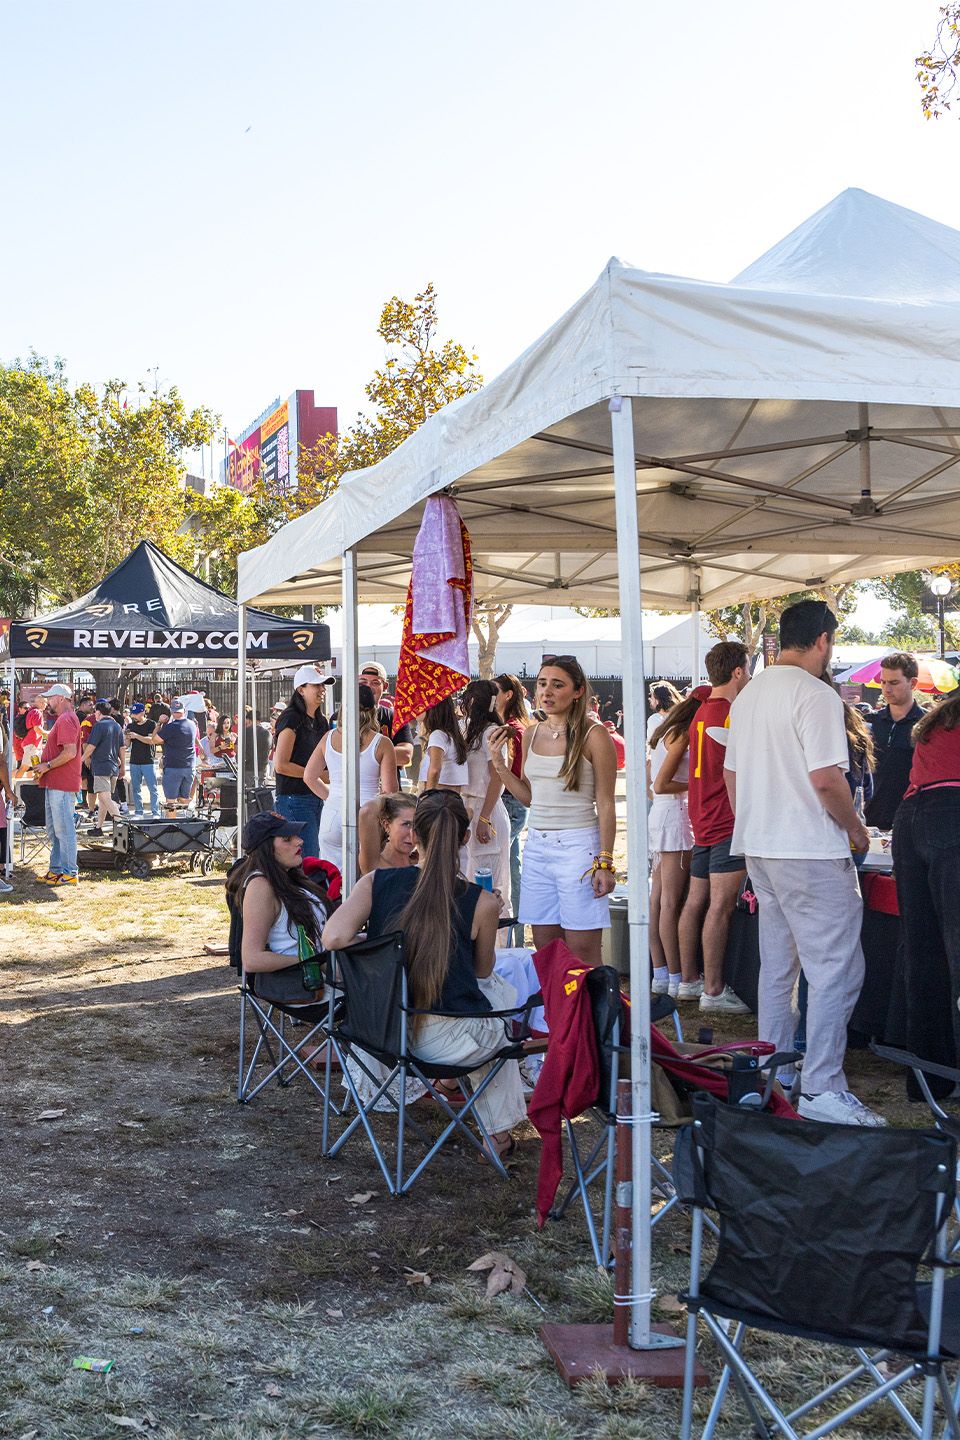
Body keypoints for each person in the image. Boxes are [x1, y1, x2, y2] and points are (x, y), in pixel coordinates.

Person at [724, 599, 882, 1127]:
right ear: (823, 640)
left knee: (779, 966)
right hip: (808, 847)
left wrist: (754, 818)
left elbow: (732, 777)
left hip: (762, 845)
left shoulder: (747, 697)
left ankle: (774, 1071)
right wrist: (856, 831)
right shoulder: (815, 694)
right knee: (836, 968)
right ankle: (821, 1085)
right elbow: (825, 778)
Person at [322, 790, 527, 1164]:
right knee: (498, 1000)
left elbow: (333, 937)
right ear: (464, 839)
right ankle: (497, 1133)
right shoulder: (482, 903)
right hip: (448, 1043)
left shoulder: (375, 884)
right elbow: (481, 972)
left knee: (491, 1005)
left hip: (382, 1032)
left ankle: (456, 1093)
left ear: (414, 835)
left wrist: (381, 942)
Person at [487, 655, 617, 966]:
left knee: (583, 950)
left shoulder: (594, 734)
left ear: (577, 691)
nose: (546, 691)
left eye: (557, 685)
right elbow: (531, 798)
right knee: (546, 949)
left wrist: (606, 861)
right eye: (542, 683)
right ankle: (554, 1013)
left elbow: (607, 801)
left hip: (579, 847)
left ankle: (588, 1014)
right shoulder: (532, 733)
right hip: (538, 847)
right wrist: (500, 765)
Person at [671, 643, 751, 1011]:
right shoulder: (729, 714)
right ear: (737, 671)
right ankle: (714, 991)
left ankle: (690, 980)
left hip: (703, 817)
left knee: (696, 901)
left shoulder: (702, 710)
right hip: (725, 818)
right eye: (747, 669)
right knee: (720, 906)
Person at [891, 688, 960, 1094]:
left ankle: (928, 1081)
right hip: (949, 816)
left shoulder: (937, 722)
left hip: (911, 818)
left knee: (922, 952)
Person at [226, 811, 330, 997]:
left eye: (296, 836)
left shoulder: (288, 876)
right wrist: (309, 960)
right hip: (306, 982)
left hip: (329, 970)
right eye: (287, 838)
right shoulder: (261, 886)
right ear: (266, 848)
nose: (299, 841)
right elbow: (252, 959)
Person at [305, 683, 397, 868]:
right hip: (368, 813)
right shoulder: (382, 743)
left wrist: (332, 797)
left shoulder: (329, 737)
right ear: (373, 710)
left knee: (331, 876)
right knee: (365, 878)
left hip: (333, 813)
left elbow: (309, 776)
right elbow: (390, 791)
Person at [647, 694, 697, 997]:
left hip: (665, 814)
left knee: (660, 898)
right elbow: (661, 784)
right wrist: (699, 782)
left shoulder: (667, 731)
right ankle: (676, 976)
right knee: (670, 901)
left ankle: (662, 973)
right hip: (674, 815)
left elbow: (654, 784)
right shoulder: (681, 734)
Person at [272, 665, 335, 858]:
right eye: (316, 685)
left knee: (313, 857)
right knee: (307, 859)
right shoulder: (292, 719)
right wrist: (315, 775)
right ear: (301, 689)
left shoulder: (321, 721)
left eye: (323, 685)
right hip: (294, 799)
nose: (322, 689)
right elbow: (281, 764)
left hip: (316, 797)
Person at [461, 680, 511, 915]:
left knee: (488, 883)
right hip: (467, 806)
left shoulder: (492, 732)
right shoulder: (468, 729)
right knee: (467, 878)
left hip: (485, 806)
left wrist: (485, 817)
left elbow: (497, 777)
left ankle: (496, 945)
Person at [865, 652, 925, 830]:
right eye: (883, 682)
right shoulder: (870, 722)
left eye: (894, 682)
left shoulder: (928, 724)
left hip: (913, 821)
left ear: (912, 683)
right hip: (871, 819)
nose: (886, 689)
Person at [32, 683, 83, 887]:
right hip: (56, 781)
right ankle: (57, 870)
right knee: (55, 830)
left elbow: (70, 752)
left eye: (50, 698)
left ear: (60, 698)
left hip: (62, 782)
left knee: (64, 829)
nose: (47, 702)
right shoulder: (65, 718)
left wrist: (48, 765)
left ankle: (70, 872)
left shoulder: (66, 719)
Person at [494, 673, 532, 941]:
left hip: (510, 800)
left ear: (508, 694)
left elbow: (513, 772)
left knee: (504, 869)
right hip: (512, 801)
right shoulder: (513, 726)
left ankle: (510, 934)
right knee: (512, 868)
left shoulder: (512, 729)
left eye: (496, 691)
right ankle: (514, 934)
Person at [360, 662, 415, 775]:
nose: (368, 687)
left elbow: (405, 755)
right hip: (357, 789)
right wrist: (386, 754)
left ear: (385, 686)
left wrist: (362, 754)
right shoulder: (341, 718)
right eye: (363, 682)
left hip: (389, 789)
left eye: (375, 682)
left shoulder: (395, 717)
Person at [83, 700, 126, 836]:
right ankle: (98, 827)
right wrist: (123, 766)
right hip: (113, 767)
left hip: (101, 766)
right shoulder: (117, 726)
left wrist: (81, 759)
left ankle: (122, 827)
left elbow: (91, 746)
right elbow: (122, 748)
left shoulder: (99, 725)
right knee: (103, 799)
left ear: (98, 712)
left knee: (105, 798)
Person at [154, 699, 200, 813]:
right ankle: (185, 823)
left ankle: (172, 827)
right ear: (184, 711)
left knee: (171, 803)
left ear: (172, 712)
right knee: (184, 799)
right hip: (189, 767)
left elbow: (154, 739)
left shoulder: (171, 727)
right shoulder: (192, 725)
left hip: (174, 767)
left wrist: (159, 723)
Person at [358, 792, 418, 874]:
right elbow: (367, 811)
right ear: (386, 825)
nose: (412, 833)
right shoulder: (375, 864)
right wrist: (385, 799)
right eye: (406, 824)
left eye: (417, 825)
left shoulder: (420, 862)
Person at [418, 697, 468, 793]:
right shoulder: (451, 735)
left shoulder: (437, 735)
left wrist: (427, 797)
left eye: (420, 705)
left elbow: (435, 770)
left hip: (438, 799)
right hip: (449, 798)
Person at [124, 702, 161, 818]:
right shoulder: (131, 726)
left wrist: (137, 736)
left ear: (143, 712)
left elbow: (151, 740)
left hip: (148, 760)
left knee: (152, 788)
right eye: (133, 714)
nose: (134, 716)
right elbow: (127, 744)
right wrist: (127, 738)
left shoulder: (151, 724)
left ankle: (155, 811)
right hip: (134, 760)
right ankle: (138, 811)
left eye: (137, 714)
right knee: (136, 788)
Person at [647, 681, 682, 747]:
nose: (649, 699)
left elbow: (651, 745)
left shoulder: (654, 720)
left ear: (657, 701)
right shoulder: (680, 716)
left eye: (651, 696)